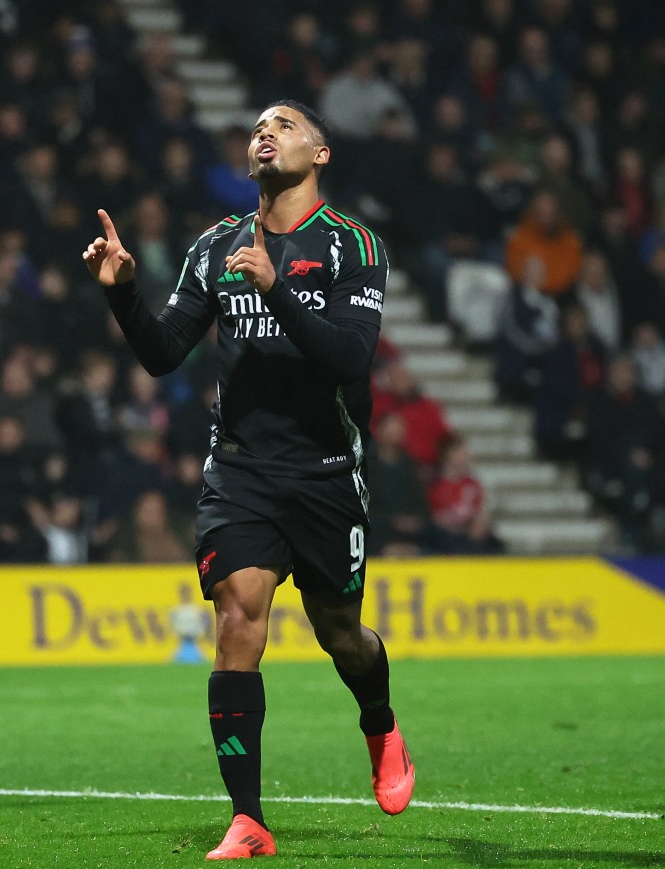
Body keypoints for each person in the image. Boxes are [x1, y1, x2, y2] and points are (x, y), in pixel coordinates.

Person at [82, 100, 414, 860]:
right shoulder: (216, 246)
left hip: (326, 470)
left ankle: (381, 726)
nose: (266, 133)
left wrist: (278, 290)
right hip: (241, 473)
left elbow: (350, 359)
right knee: (238, 623)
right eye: (257, 127)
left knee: (342, 634)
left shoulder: (352, 246)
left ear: (321, 152)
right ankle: (249, 818)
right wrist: (121, 292)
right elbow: (165, 352)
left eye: (285, 124)